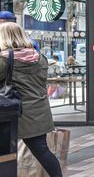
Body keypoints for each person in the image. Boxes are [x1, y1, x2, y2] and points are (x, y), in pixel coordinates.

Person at [0, 22, 62, 177]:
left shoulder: (4, 60)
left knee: (4, 154)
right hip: (38, 112)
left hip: (11, 113)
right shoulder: (40, 58)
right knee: (42, 150)